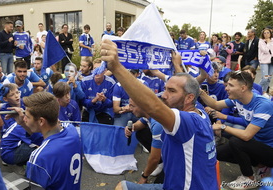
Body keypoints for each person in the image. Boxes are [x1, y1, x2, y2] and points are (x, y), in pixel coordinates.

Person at [100, 39, 217, 189]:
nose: (164, 95)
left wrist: (117, 67)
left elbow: (153, 106)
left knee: (122, 187)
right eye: (166, 89)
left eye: (171, 91)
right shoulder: (197, 109)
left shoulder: (187, 121)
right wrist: (177, 65)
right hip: (181, 183)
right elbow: (187, 84)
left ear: (189, 98)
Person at [199, 71, 273, 189]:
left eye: (230, 85)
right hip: (257, 144)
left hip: (270, 149)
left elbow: (247, 135)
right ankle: (259, 165)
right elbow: (215, 104)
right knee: (217, 154)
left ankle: (249, 178)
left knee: (236, 141)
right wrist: (199, 91)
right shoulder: (237, 98)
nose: (226, 88)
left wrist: (222, 126)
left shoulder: (263, 104)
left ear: (243, 88)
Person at [6, 92, 82, 189]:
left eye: (27, 116)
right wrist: (22, 123)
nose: (24, 118)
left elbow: (32, 188)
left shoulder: (40, 157)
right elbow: (46, 135)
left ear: (41, 121)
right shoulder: (72, 130)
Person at [0, 83, 43, 165]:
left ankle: (22, 162)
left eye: (17, 92)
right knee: (41, 150)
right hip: (10, 148)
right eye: (12, 95)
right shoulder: (5, 110)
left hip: (17, 135)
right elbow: (18, 128)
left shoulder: (26, 103)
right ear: (5, 99)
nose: (16, 96)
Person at [125, 98, 163, 184]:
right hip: (170, 148)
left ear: (143, 106)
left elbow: (154, 158)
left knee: (160, 185)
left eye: (132, 106)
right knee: (141, 133)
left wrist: (144, 176)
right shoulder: (148, 112)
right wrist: (131, 127)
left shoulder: (157, 124)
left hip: (180, 158)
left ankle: (165, 163)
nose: (129, 108)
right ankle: (162, 162)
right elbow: (140, 124)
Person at [258, 28, 273, 95]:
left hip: (271, 62)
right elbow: (265, 50)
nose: (266, 34)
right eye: (265, 33)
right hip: (264, 62)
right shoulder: (261, 41)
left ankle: (263, 92)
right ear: (263, 34)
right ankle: (256, 89)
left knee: (269, 78)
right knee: (265, 78)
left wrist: (270, 42)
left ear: (270, 33)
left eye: (268, 32)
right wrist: (269, 43)